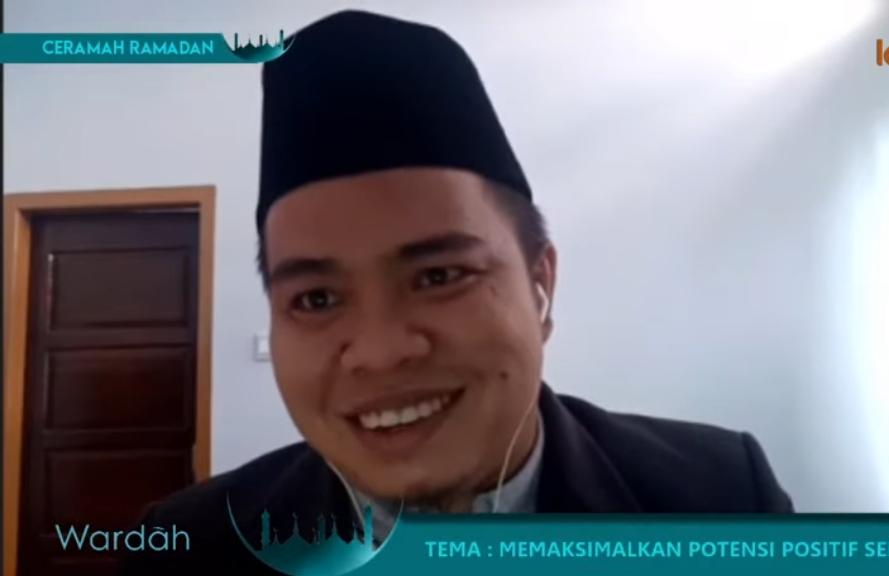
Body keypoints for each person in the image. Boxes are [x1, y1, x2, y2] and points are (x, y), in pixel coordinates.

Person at [120, 9, 792, 573]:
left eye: (439, 276)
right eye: (317, 299)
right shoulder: (190, 552)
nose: (380, 352)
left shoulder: (720, 499)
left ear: (540, 286)